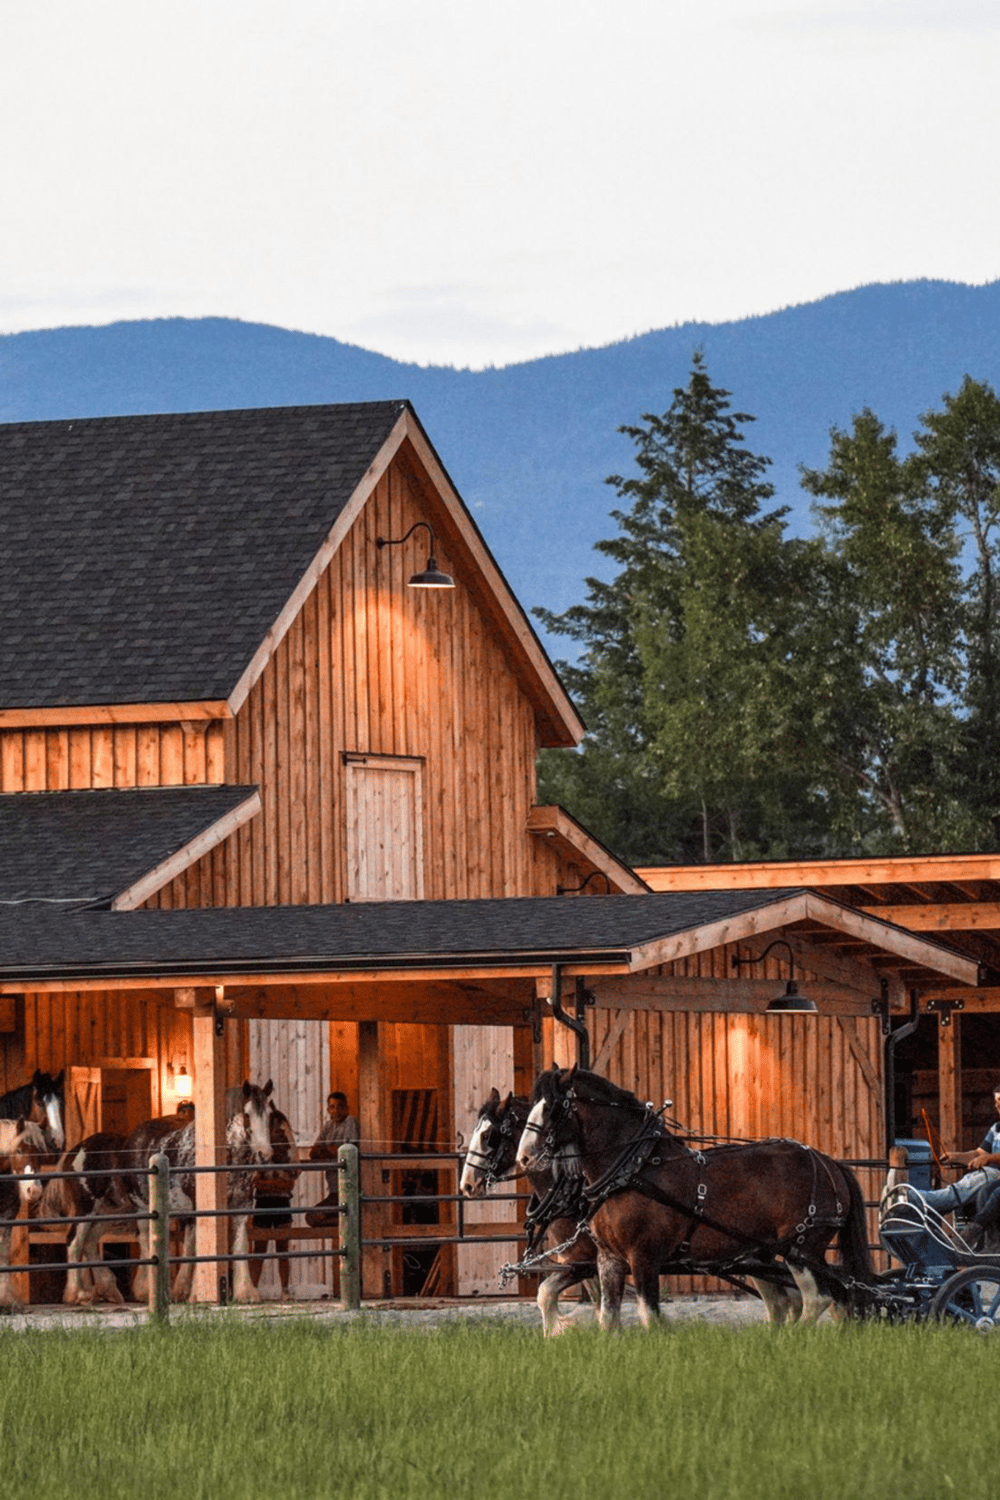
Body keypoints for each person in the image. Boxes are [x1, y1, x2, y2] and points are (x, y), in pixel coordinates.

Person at [911, 1083, 1000, 1218]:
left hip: (996, 1175)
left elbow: (985, 1157)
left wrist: (989, 1158)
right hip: (990, 1173)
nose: (997, 1105)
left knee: (966, 1186)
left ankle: (916, 1200)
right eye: (996, 1101)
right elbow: (979, 1153)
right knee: (966, 1182)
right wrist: (956, 1157)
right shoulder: (997, 1128)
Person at [249, 1107, 299, 1299]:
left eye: (280, 1130)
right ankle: (254, 1288)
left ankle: (285, 1290)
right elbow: (257, 1181)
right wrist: (276, 1185)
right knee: (259, 1249)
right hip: (263, 1203)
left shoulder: (286, 1156)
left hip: (281, 1203)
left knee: (282, 1249)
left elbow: (290, 1183)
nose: (277, 1133)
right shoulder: (261, 1154)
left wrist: (270, 1185)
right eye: (274, 1129)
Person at [305, 1092, 359, 1226]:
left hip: (348, 1187)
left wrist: (327, 1149)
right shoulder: (328, 1126)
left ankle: (353, 1223)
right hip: (335, 1190)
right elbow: (313, 1152)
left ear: (347, 1108)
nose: (336, 1110)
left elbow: (347, 1151)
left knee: (313, 1217)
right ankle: (350, 1221)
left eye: (340, 1106)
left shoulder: (350, 1122)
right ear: (328, 1110)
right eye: (332, 1107)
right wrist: (330, 1149)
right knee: (311, 1217)